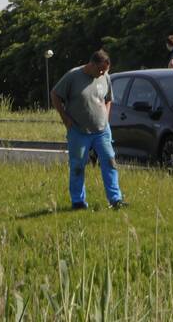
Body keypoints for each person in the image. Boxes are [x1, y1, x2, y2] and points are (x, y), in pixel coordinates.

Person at [50, 49, 127, 210]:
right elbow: (55, 94)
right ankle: (78, 201)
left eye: (105, 71)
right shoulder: (73, 76)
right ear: (91, 64)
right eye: (100, 69)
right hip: (79, 131)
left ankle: (115, 199)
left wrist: (106, 116)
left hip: (102, 131)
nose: (102, 73)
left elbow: (108, 99)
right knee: (77, 166)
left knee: (110, 162)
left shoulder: (105, 77)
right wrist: (65, 118)